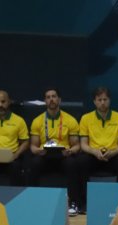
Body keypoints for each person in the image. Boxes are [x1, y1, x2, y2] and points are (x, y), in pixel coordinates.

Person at [27, 88, 84, 216]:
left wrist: (70, 150)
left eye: (54, 96)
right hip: (44, 155)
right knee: (34, 163)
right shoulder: (37, 121)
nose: (51, 99)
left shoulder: (70, 120)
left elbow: (77, 145)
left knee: (72, 164)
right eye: (48, 97)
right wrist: (38, 151)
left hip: (63, 155)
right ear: (45, 101)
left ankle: (73, 203)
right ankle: (31, 200)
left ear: (59, 100)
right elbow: (33, 147)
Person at [79, 86, 118, 212]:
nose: (102, 102)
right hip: (93, 155)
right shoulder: (86, 118)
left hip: (113, 155)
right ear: (94, 102)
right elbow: (83, 144)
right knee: (79, 162)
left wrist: (112, 153)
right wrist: (94, 151)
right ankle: (82, 203)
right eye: (99, 99)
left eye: (105, 99)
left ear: (110, 100)